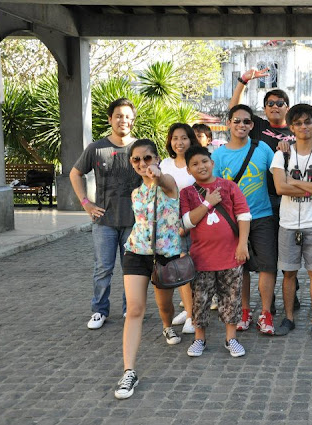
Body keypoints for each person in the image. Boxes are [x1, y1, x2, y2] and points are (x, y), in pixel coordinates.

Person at [114, 139, 183, 399]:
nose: (142, 163)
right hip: (135, 253)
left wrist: (158, 175)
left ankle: (167, 324)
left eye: (147, 158)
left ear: (157, 158)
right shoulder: (136, 193)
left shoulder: (169, 184)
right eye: (136, 159)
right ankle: (129, 371)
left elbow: (165, 182)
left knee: (165, 307)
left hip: (163, 256)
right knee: (135, 309)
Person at [229, 68, 300, 312]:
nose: (275, 107)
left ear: (287, 108)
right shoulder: (257, 126)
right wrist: (243, 81)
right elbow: (234, 110)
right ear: (265, 108)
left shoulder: (297, 131)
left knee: (288, 249)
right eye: (270, 104)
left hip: (288, 198)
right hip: (262, 199)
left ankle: (292, 291)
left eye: (280, 103)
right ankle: (267, 301)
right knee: (267, 253)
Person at [70, 98, 141, 330]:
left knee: (131, 268)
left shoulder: (140, 148)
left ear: (133, 120)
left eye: (128, 116)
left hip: (134, 222)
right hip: (104, 221)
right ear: (110, 119)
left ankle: (130, 308)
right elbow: (75, 173)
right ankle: (99, 310)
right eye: (118, 116)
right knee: (103, 268)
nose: (123, 120)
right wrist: (86, 203)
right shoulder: (96, 148)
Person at [270, 104, 312, 339]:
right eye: (298, 123)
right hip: (288, 223)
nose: (303, 127)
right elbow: (280, 188)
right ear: (291, 127)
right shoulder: (282, 155)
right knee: (288, 273)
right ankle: (288, 318)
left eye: (308, 122)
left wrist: (295, 182)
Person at [211, 104, 278, 335]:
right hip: (233, 221)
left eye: (246, 121)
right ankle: (244, 311)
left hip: (262, 216)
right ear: (228, 123)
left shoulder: (262, 149)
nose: (241, 125)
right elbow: (214, 189)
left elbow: (278, 174)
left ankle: (266, 313)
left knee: (268, 265)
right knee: (241, 268)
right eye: (237, 121)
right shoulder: (218, 155)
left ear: (252, 125)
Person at [180, 145, 251, 358]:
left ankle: (231, 339)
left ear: (212, 163)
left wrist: (242, 244)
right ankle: (199, 339)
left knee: (232, 298)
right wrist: (207, 203)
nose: (201, 166)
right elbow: (187, 222)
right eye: (194, 164)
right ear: (188, 170)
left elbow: (244, 215)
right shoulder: (187, 193)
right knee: (200, 300)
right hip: (201, 259)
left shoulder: (229, 187)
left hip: (230, 256)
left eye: (204, 161)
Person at [160, 123, 201, 334]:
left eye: (184, 137)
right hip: (172, 225)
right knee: (181, 269)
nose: (179, 142)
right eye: (175, 138)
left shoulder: (196, 162)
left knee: (197, 269)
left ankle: (194, 312)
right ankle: (189, 312)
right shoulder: (165, 164)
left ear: (191, 139)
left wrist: (187, 223)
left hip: (197, 222)